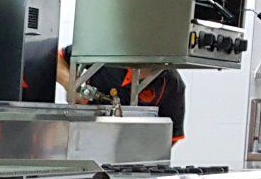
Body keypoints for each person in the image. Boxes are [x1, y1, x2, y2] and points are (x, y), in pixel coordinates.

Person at [57, 46, 187, 146]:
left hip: (127, 153)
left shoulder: (171, 83)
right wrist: (74, 86)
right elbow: (58, 58)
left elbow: (170, 137)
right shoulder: (104, 49)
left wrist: (141, 156)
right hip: (81, 139)